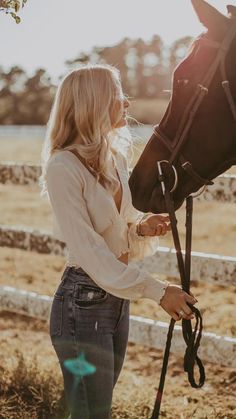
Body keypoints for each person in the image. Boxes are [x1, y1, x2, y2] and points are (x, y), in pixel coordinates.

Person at [40, 64, 197, 419]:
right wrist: (159, 291)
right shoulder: (63, 167)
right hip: (82, 301)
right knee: (91, 412)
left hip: (116, 296)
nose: (126, 103)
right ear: (92, 103)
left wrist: (141, 228)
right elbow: (91, 251)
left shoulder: (115, 159)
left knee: (97, 408)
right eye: (116, 95)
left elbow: (116, 228)